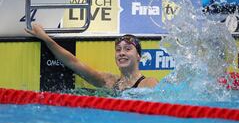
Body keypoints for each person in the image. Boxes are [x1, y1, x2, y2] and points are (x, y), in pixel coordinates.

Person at [25, 23, 158, 92]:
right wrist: (46, 39)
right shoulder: (109, 81)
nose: (121, 53)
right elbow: (73, 63)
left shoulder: (149, 83)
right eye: (118, 50)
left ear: (139, 56)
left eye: (128, 49)